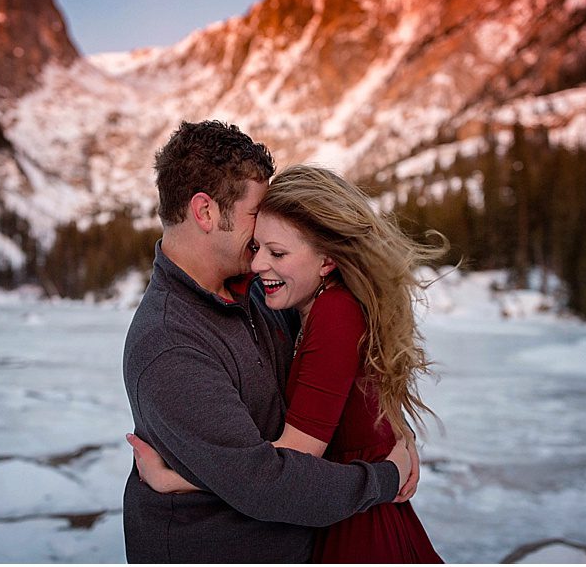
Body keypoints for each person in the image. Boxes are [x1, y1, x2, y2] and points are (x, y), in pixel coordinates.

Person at [122, 121, 415, 563]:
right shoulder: (170, 344)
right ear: (205, 212)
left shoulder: (262, 291)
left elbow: (338, 381)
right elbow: (265, 482)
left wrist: (391, 431)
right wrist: (385, 479)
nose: (265, 239)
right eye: (256, 214)